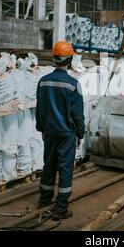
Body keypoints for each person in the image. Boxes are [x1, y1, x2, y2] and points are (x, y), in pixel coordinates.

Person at [35, 40, 85, 220]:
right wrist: (80, 133)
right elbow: (78, 114)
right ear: (69, 61)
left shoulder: (43, 82)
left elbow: (40, 109)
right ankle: (61, 208)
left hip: (49, 132)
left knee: (49, 165)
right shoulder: (73, 84)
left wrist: (41, 128)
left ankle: (44, 200)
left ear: (54, 59)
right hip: (66, 134)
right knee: (65, 169)